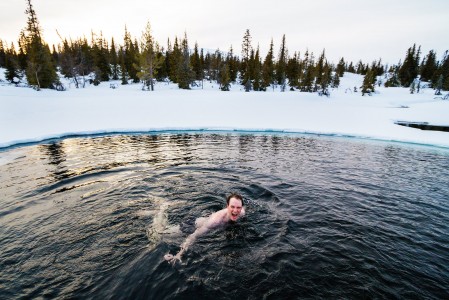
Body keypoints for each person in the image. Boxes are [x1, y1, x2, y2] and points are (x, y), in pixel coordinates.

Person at [164, 193, 246, 264]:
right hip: (192, 225)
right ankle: (161, 210)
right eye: (232, 207)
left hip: (206, 219)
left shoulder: (242, 213)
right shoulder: (215, 222)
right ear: (227, 206)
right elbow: (193, 236)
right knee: (164, 233)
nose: (235, 210)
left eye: (238, 207)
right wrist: (179, 254)